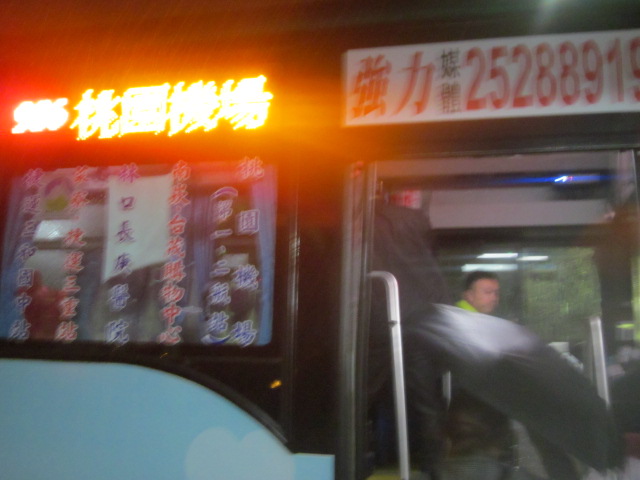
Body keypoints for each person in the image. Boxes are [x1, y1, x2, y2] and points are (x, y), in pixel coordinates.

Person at [448, 271, 581, 480]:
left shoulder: (479, 321)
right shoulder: (464, 322)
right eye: (487, 292)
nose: (494, 297)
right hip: (477, 407)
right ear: (469, 295)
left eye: (496, 293)